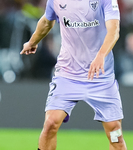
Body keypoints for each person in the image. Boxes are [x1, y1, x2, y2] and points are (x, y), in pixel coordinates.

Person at [20, 0, 127, 149]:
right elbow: (46, 21)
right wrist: (33, 42)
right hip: (67, 74)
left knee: (115, 134)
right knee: (50, 124)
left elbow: (114, 30)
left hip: (100, 77)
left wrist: (101, 55)